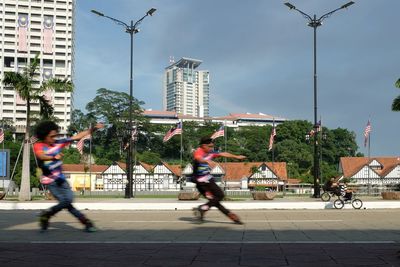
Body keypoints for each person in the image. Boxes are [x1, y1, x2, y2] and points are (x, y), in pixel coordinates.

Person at [33, 121, 104, 232]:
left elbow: (77, 136)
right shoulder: (38, 145)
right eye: (51, 136)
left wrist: (93, 129)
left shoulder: (58, 143)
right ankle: (86, 222)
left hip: (62, 179)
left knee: (68, 201)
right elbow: (41, 156)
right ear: (44, 136)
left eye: (55, 135)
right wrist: (53, 157)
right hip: (50, 181)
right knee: (66, 202)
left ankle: (47, 214)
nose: (54, 138)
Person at [192, 136, 246, 224]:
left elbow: (223, 153)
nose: (211, 148)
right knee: (215, 200)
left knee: (218, 197)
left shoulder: (210, 152)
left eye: (212, 146)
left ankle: (203, 209)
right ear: (203, 146)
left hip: (209, 180)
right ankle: (232, 217)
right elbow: (198, 158)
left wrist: (236, 156)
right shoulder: (199, 151)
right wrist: (206, 161)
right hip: (201, 184)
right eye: (209, 146)